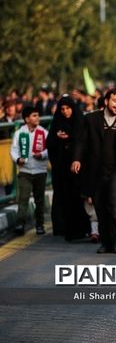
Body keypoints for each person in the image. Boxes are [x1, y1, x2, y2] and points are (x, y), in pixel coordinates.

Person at [71, 88, 116, 254]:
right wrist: (76, 159)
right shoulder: (91, 119)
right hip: (96, 172)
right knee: (100, 208)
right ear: (107, 101)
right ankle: (105, 242)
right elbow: (81, 142)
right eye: (115, 101)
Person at [47, 94, 90, 241]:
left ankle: (80, 229)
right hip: (60, 169)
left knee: (76, 197)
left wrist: (69, 139)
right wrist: (57, 138)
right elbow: (50, 143)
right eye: (63, 109)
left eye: (68, 108)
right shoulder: (57, 123)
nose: (65, 111)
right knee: (61, 197)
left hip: (76, 168)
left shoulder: (80, 121)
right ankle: (62, 227)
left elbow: (83, 142)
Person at [10, 106, 49, 235]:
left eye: (38, 115)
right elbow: (13, 150)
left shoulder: (43, 132)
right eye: (34, 115)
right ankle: (20, 224)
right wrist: (18, 159)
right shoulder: (19, 133)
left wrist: (42, 154)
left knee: (39, 200)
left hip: (40, 171)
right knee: (23, 199)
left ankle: (40, 224)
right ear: (27, 119)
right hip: (25, 171)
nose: (37, 117)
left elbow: (49, 149)